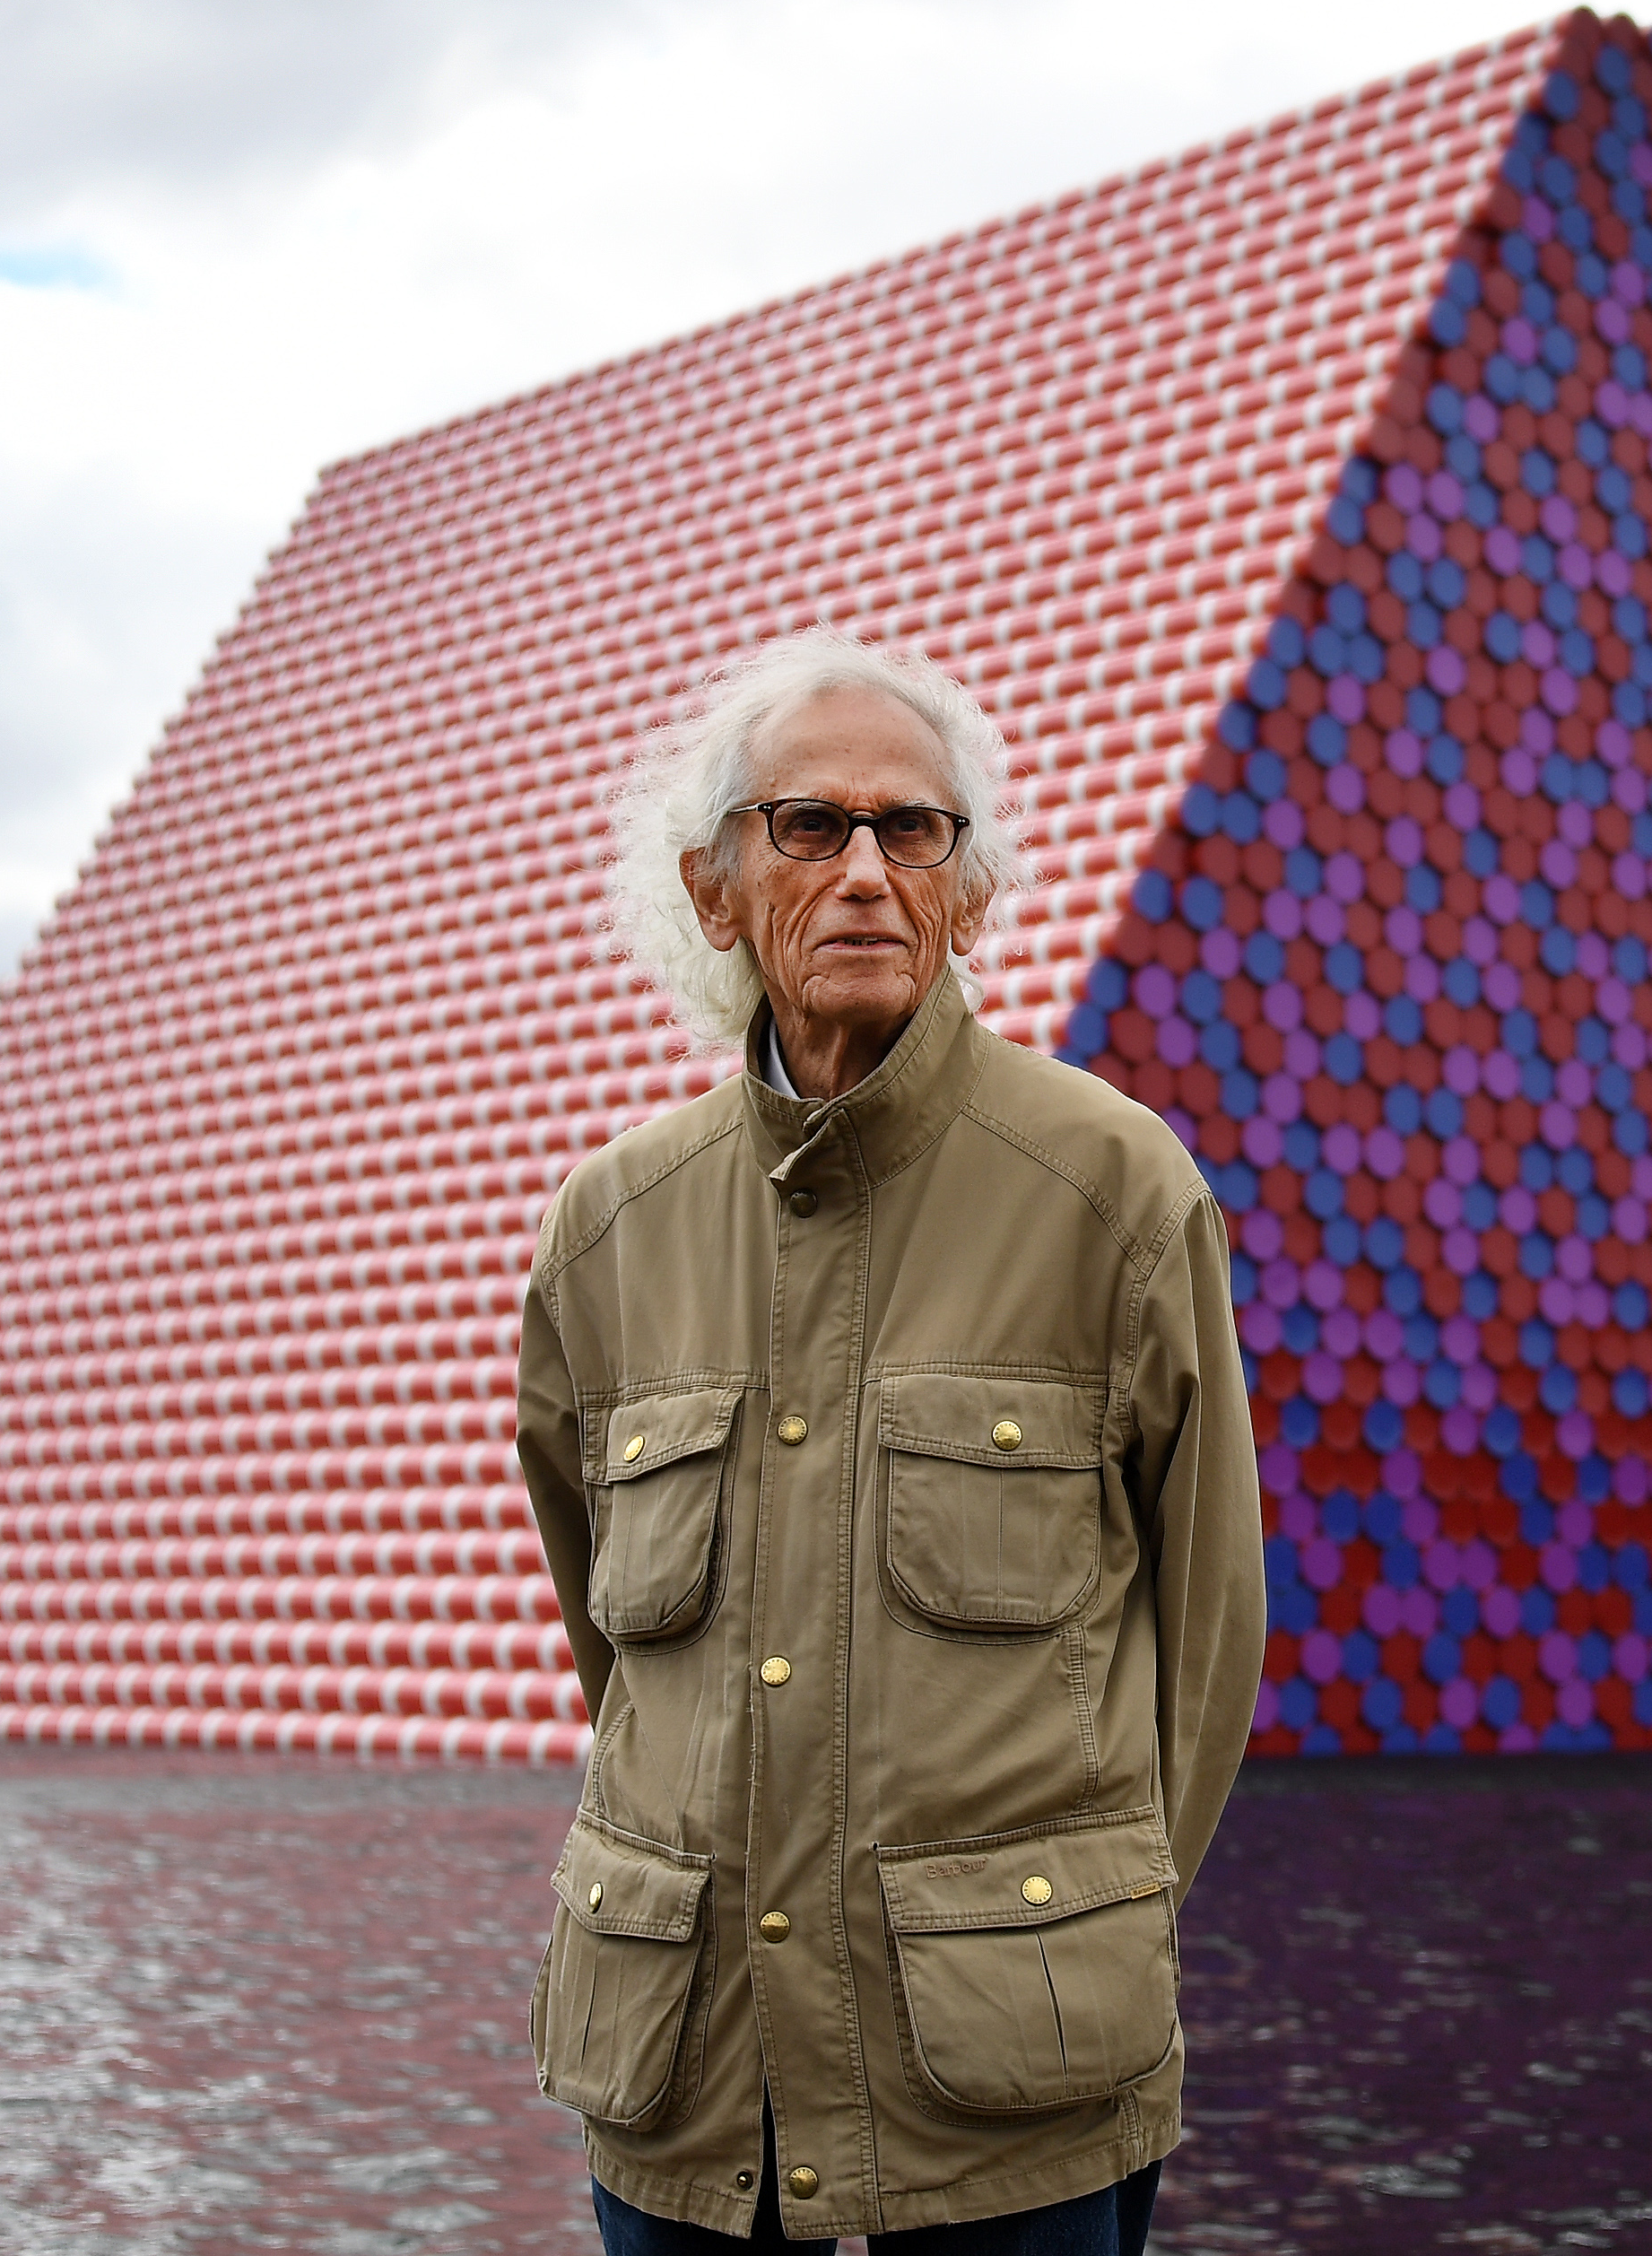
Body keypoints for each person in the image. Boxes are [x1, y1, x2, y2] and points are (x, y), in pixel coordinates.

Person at [517, 630, 1265, 2252]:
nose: (864, 869)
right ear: (715, 889)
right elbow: (617, 1652)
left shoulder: (1114, 1189)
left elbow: (1204, 1650)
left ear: (968, 895)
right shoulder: (607, 1231)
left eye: (910, 830)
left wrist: (1067, 1946)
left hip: (1010, 2096)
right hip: (687, 2074)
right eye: (809, 826)